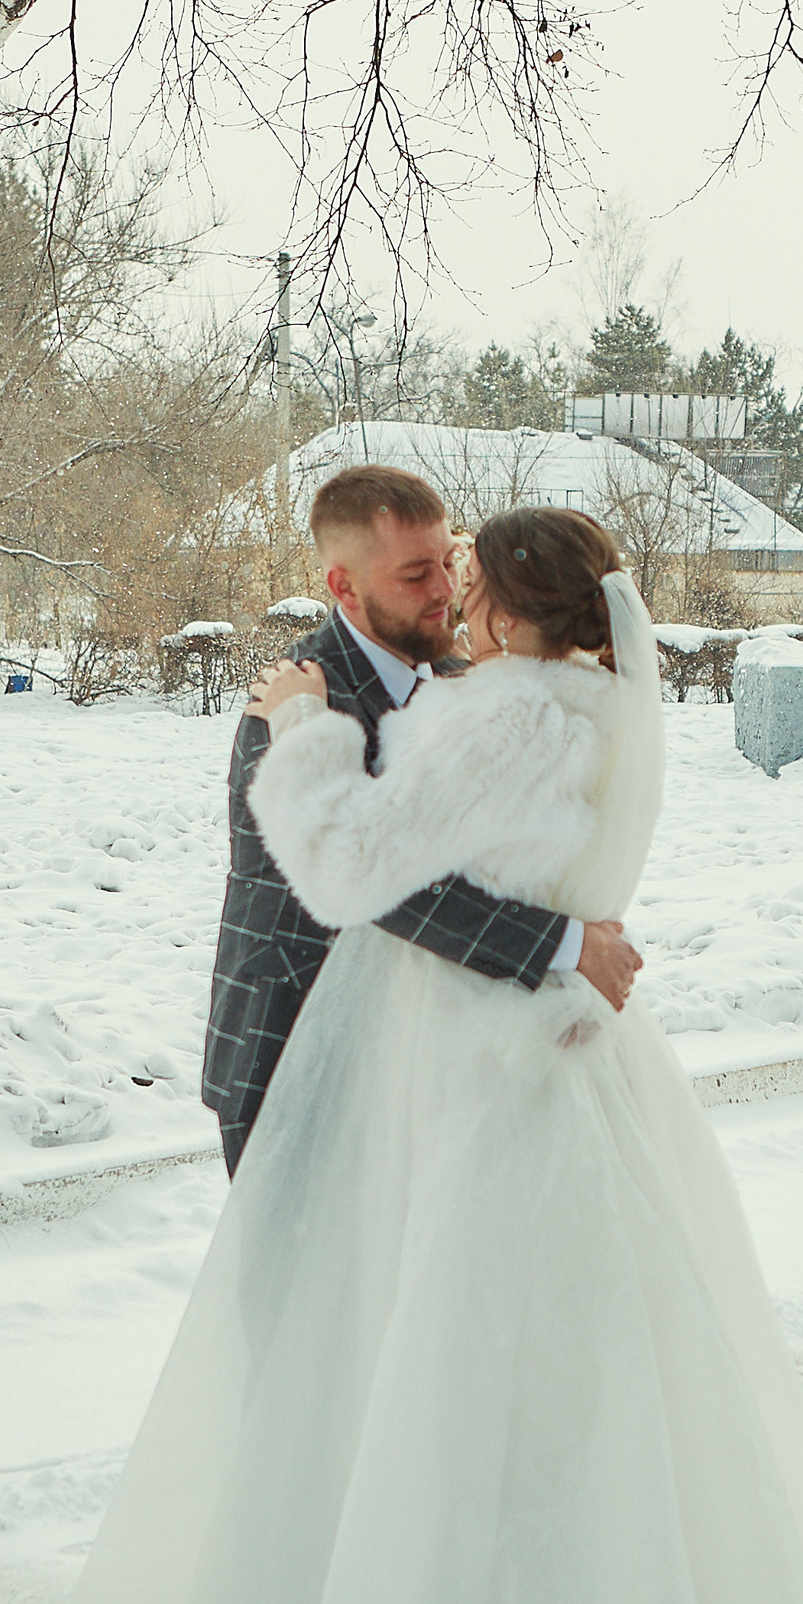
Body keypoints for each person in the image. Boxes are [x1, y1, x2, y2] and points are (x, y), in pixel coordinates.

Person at [70, 507, 803, 1604]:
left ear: (516, 609)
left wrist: (301, 732)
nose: (456, 604)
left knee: (451, 1366)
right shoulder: (598, 706)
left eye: (469, 586)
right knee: (573, 1373)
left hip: (474, 1067)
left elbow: (357, 860)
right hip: (562, 1061)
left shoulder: (506, 713)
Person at [199, 464, 641, 1175]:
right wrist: (562, 948)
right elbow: (395, 892)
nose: (443, 590)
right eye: (414, 575)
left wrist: (555, 986)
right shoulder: (295, 702)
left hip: (422, 1059)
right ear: (343, 585)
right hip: (299, 1044)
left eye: (448, 561)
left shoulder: (469, 684)